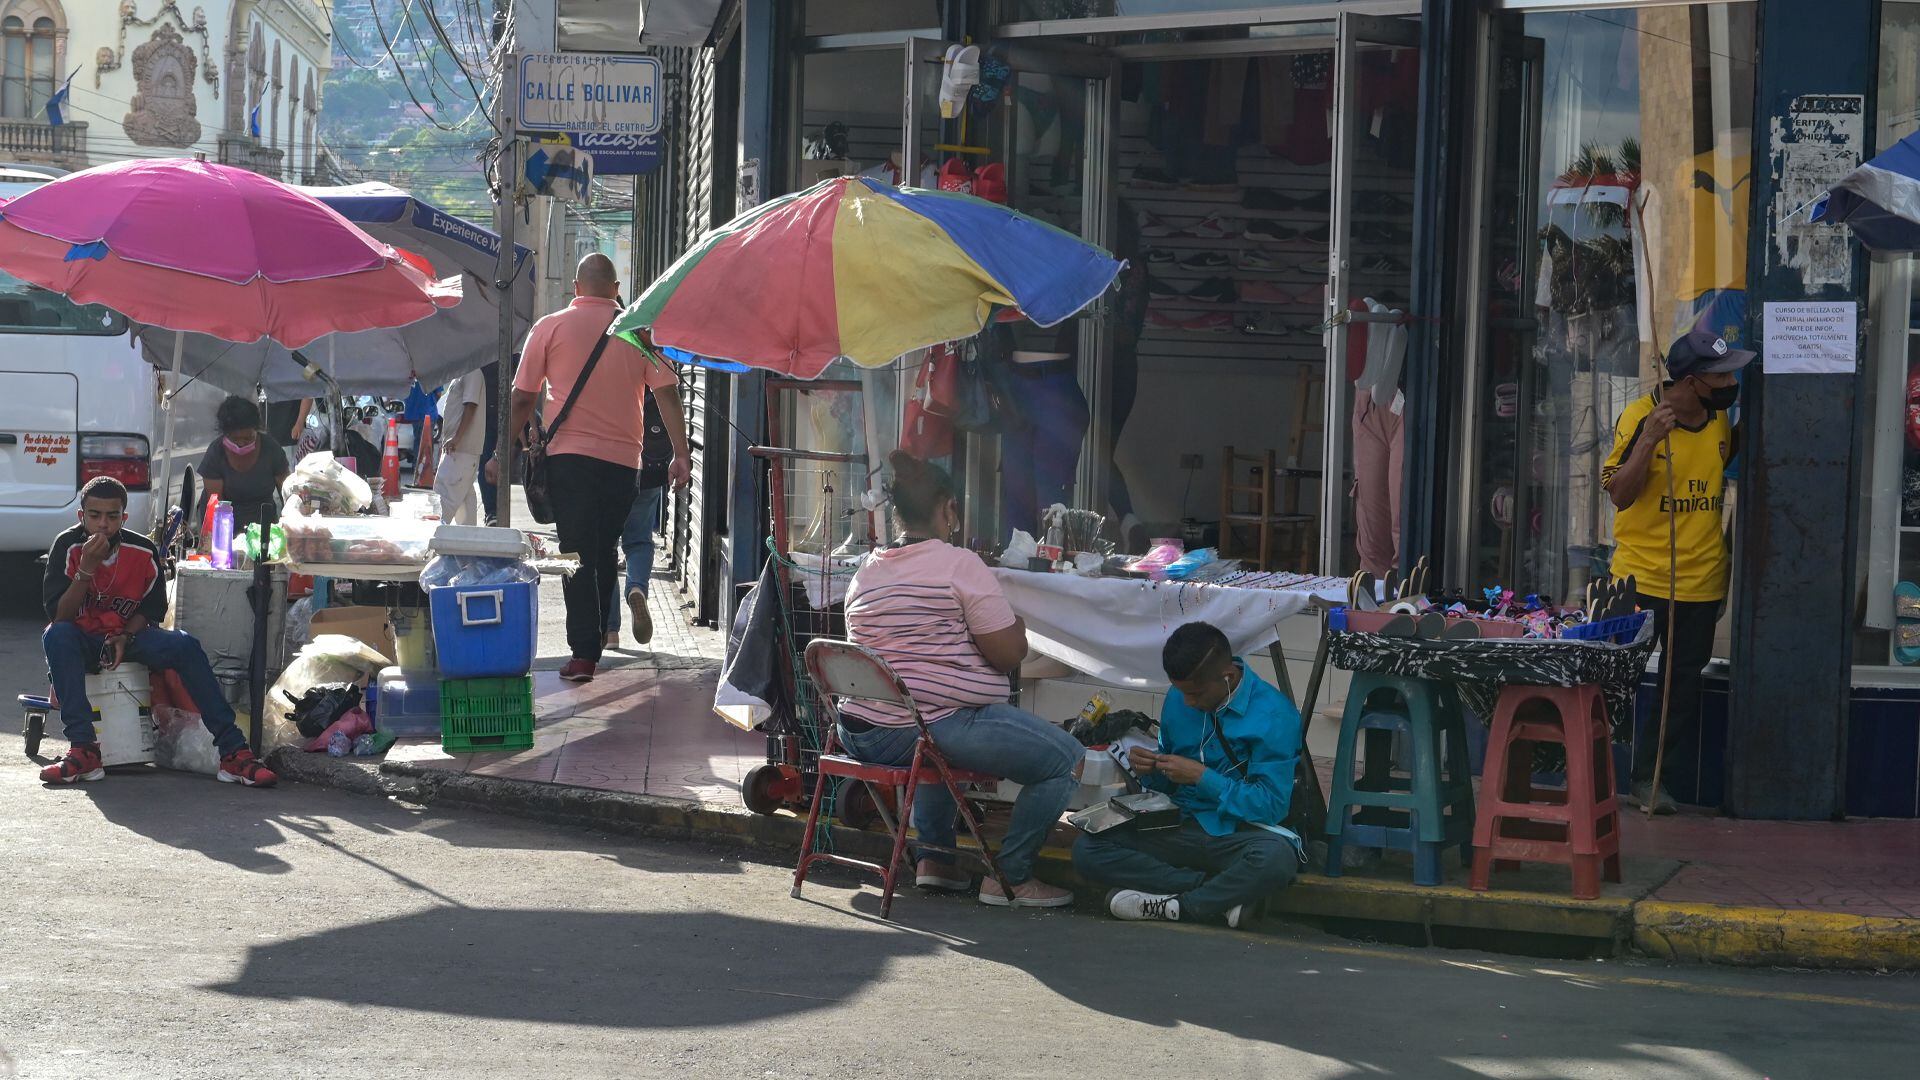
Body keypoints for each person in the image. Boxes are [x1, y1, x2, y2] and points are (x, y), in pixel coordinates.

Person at [839, 451, 1083, 909]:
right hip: (925, 727)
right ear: (948, 508)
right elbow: (1009, 654)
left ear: (897, 514)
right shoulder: (959, 564)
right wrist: (1016, 627)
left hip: (862, 731)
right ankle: (1010, 879)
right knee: (1066, 758)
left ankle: (936, 862)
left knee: (934, 733)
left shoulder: (865, 572)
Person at [508, 253, 691, 683]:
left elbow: (521, 397)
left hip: (568, 460)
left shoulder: (550, 327)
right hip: (624, 462)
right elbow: (667, 391)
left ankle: (584, 651)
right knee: (605, 547)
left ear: (575, 288)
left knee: (576, 552)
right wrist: (681, 453)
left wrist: (503, 450)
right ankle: (599, 636)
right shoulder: (635, 331)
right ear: (615, 288)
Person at [39, 477, 277, 787]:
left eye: (112, 516)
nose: (103, 524)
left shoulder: (142, 549)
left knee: (184, 645)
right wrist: (86, 568)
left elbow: (150, 611)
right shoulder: (67, 545)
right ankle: (84, 750)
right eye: (94, 515)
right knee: (55, 636)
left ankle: (234, 753)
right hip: (82, 638)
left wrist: (127, 637)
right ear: (81, 516)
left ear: (123, 518)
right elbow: (61, 615)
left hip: (126, 637)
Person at [1602, 330, 1752, 814]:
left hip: (1702, 579)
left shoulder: (1721, 417)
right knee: (1612, 679)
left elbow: (1721, 461)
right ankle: (1596, 774)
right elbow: (1620, 494)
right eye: (1721, 375)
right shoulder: (1640, 417)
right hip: (1640, 578)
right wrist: (1648, 441)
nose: (1731, 382)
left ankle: (1651, 778)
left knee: (1680, 686)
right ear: (1691, 381)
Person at [1073, 621, 1303, 927]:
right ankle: (1216, 897)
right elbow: (1168, 789)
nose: (1188, 702)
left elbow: (1271, 806)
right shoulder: (1177, 699)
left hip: (1238, 832)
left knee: (1276, 860)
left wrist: (1201, 776)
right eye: (1182, 692)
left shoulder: (1275, 714)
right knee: (1088, 848)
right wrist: (1152, 769)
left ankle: (1177, 906)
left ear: (1228, 676)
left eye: (1196, 693)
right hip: (1179, 825)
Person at [604, 390, 675, 648]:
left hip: (610, 467)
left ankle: (610, 631)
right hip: (649, 469)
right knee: (639, 541)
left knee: (606, 546)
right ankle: (636, 588)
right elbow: (670, 401)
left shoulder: (607, 364)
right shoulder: (654, 362)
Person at [199, 395, 290, 536]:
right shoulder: (215, 453)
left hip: (264, 528)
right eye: (235, 439)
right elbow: (217, 505)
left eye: (248, 438)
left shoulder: (271, 449)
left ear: (256, 430)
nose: (241, 443)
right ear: (225, 434)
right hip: (225, 528)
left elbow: (287, 493)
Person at [435, 367, 487, 526]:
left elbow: (470, 406)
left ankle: (434, 540)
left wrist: (456, 438)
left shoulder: (472, 372)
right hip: (458, 448)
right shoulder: (461, 373)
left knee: (445, 498)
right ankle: (469, 543)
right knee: (464, 503)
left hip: (461, 449)